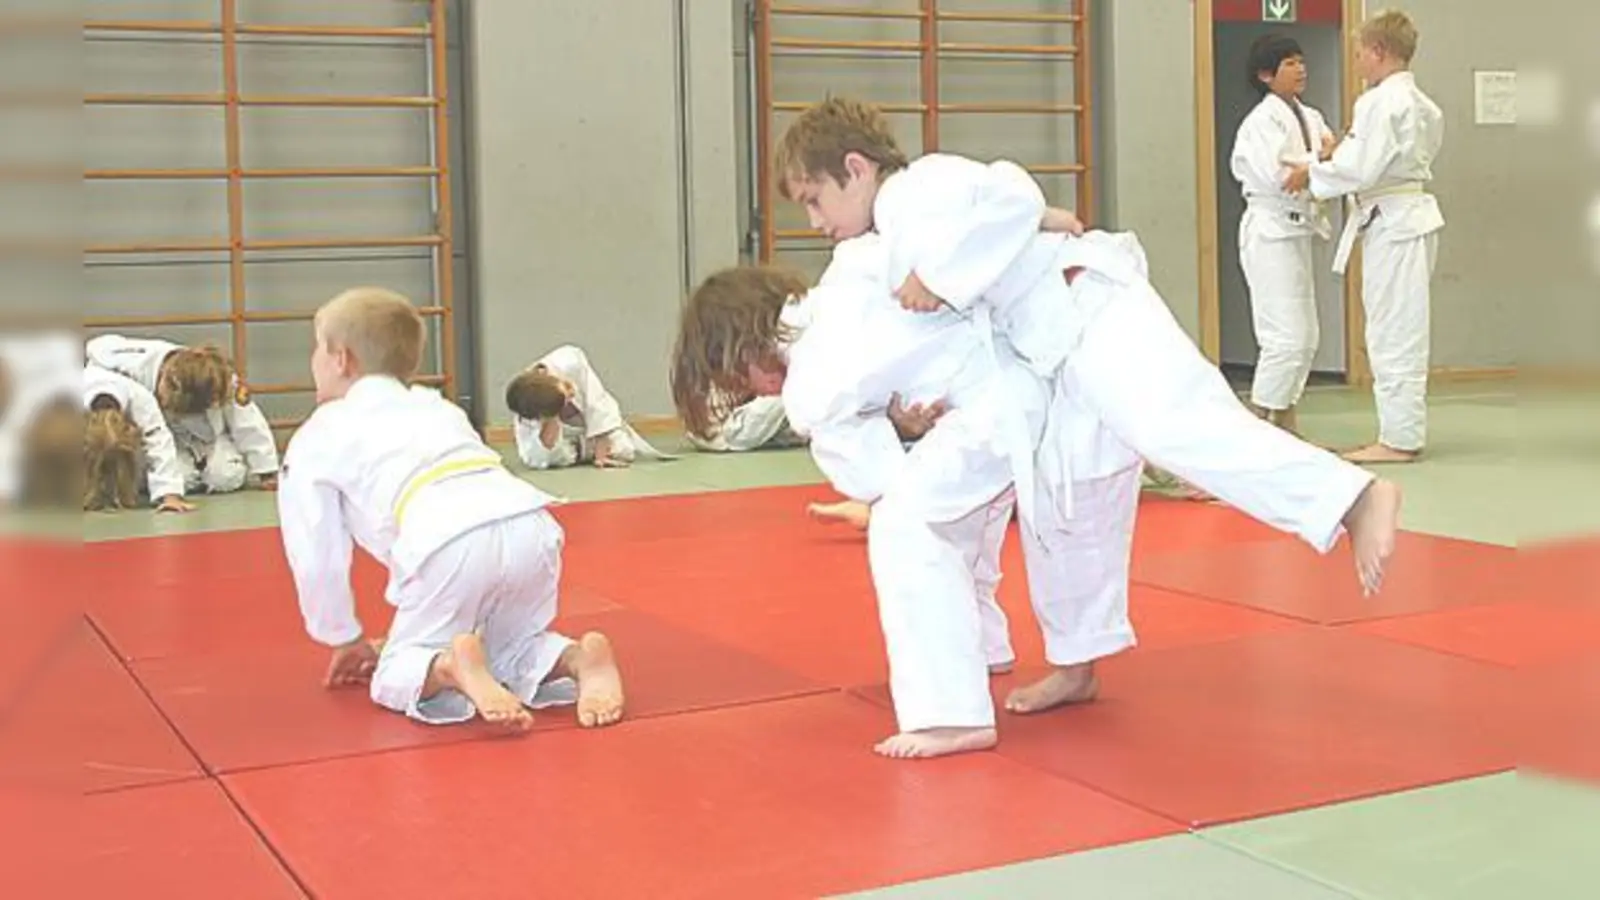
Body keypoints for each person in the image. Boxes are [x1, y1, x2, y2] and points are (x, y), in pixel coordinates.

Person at [774, 96, 1402, 596]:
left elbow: (1011, 194)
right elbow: (1016, 217)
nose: (814, 222)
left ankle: (1353, 497)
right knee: (1073, 494)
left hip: (1093, 311)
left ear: (856, 168)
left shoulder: (914, 190)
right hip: (1056, 347)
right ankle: (1078, 661)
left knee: (1172, 426)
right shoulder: (897, 227)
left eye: (814, 200)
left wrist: (938, 273)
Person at [673, 236, 1143, 760]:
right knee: (982, 517)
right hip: (1023, 382)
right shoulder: (843, 285)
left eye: (740, 380)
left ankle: (950, 714)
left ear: (741, 347)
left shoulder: (809, 383)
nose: (758, 393)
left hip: (992, 411)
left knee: (906, 527)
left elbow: (874, 475)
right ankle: (994, 650)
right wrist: (899, 425)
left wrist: (887, 456)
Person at [278, 287, 624, 732]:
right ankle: (577, 659)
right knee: (513, 646)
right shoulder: (435, 406)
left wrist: (341, 633)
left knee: (395, 670)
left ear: (341, 359)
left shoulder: (319, 433)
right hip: (530, 523)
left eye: (316, 349)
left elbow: (314, 545)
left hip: (448, 539)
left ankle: (446, 666)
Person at [1285, 9, 1444, 464]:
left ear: (1378, 51)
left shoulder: (1378, 102)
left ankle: (1399, 439)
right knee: (1398, 326)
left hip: (1395, 222)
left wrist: (1312, 172)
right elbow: (1380, 157)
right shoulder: (1423, 105)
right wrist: (1337, 155)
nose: (1356, 62)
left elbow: (1361, 168)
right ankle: (1400, 432)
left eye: (1359, 53)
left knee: (1393, 331)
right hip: (1405, 217)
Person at [1231, 33, 1338, 433]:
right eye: (1289, 63)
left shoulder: (1311, 116)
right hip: (1269, 231)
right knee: (1283, 337)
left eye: (1301, 61)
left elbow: (1328, 161)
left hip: (1298, 230)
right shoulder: (1260, 122)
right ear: (1265, 75)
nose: (1301, 69)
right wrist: (1319, 160)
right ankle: (1256, 426)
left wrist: (1316, 163)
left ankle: (1285, 422)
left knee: (1307, 337)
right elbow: (1282, 177)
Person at [84, 335, 279, 493]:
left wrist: (266, 471)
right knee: (180, 479)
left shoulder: (220, 379)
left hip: (208, 439)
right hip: (160, 436)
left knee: (225, 477)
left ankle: (206, 465)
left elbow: (249, 423)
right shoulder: (125, 369)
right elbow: (98, 348)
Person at [505, 344, 676, 469]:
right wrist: (551, 420)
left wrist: (602, 444)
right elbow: (535, 457)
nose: (571, 394)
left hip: (587, 428)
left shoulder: (569, 361)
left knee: (623, 449)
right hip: (565, 437)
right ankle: (582, 449)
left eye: (566, 387)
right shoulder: (528, 405)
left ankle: (583, 449)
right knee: (543, 459)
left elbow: (597, 399)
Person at [82, 364, 193, 513]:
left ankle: (119, 488)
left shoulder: (141, 400)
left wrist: (170, 495)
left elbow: (160, 443)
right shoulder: (61, 401)